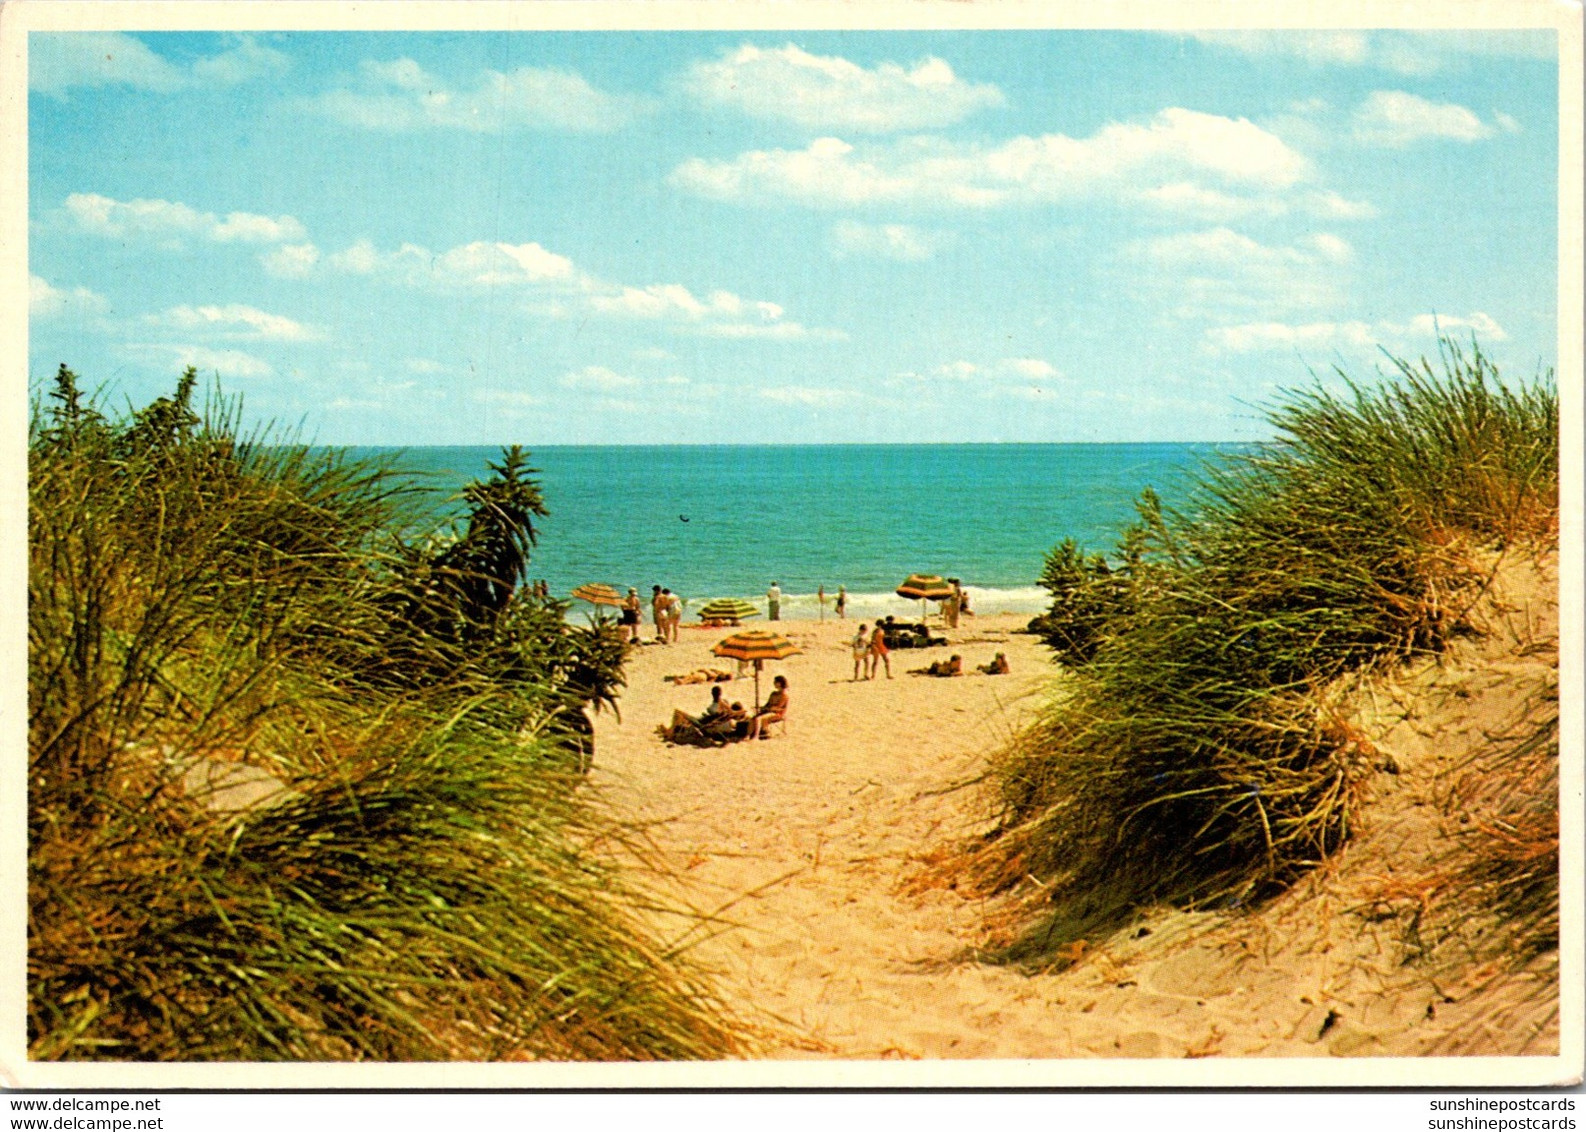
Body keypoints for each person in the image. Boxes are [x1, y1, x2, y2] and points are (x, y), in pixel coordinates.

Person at [746, 675, 789, 740]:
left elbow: (777, 708)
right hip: (769, 711)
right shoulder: (773, 693)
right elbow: (768, 704)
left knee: (759, 718)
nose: (774, 683)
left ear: (780, 683)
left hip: (778, 714)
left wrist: (768, 708)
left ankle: (756, 736)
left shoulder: (784, 695)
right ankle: (748, 735)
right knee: (753, 719)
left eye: (775, 682)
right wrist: (760, 708)